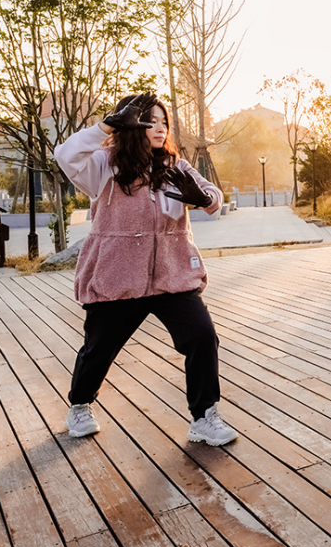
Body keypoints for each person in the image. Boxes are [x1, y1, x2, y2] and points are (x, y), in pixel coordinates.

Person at [53, 93, 239, 446]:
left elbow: (213, 197)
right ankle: (79, 405)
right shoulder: (105, 165)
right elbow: (65, 155)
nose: (159, 128)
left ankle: (204, 416)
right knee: (99, 347)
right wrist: (106, 125)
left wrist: (203, 197)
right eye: (149, 120)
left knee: (202, 337)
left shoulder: (175, 165)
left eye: (163, 122)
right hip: (119, 275)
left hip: (172, 274)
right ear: (129, 124)